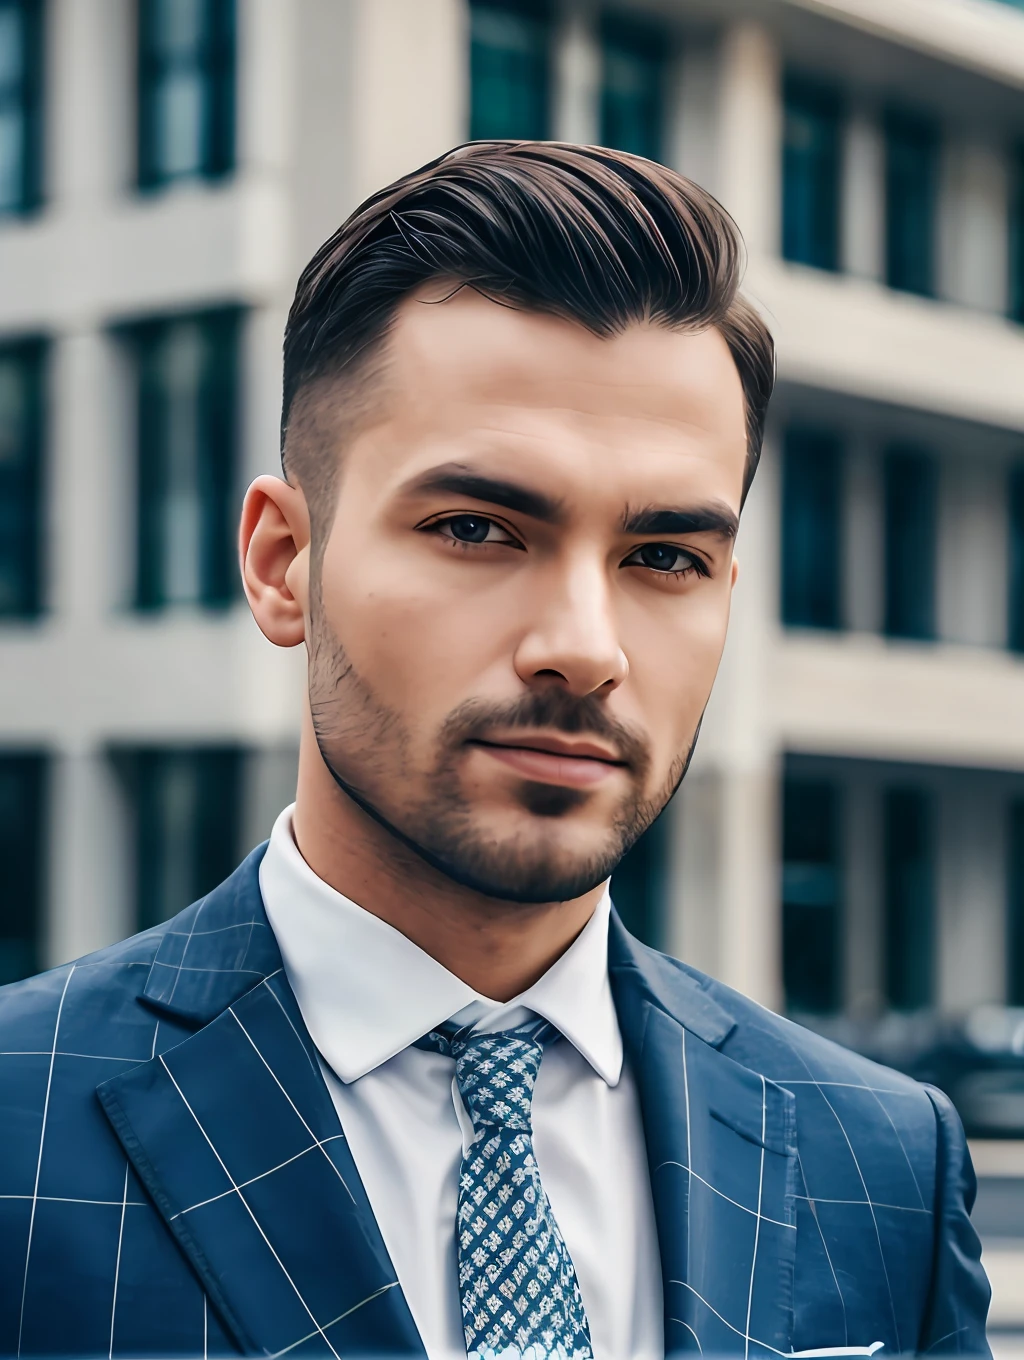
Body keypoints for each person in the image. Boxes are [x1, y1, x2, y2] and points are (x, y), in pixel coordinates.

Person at [0, 142, 989, 1360]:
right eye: (476, 528)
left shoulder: (882, 1158)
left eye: (666, 557)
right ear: (281, 562)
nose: (583, 649)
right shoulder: (15, 1121)